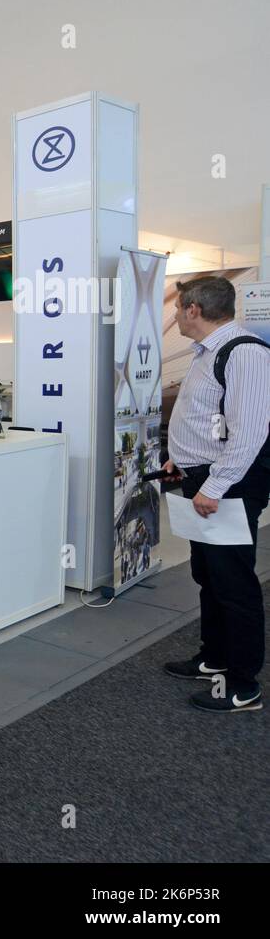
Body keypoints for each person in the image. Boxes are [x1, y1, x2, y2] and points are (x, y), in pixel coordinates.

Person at [161, 276, 270, 712]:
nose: (174, 316)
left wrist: (214, 486)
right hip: (203, 479)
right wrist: (180, 461)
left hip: (228, 486)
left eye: (178, 308)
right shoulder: (209, 352)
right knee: (208, 577)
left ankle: (243, 684)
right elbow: (211, 420)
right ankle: (214, 658)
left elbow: (250, 432)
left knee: (234, 583)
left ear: (193, 310)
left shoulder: (243, 352)